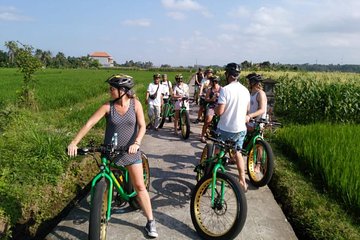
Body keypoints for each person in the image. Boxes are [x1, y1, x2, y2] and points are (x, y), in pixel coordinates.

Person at [67, 74, 158, 238]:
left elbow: (143, 126)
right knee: (107, 178)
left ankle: (150, 221)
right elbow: (89, 123)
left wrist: (136, 142)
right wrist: (74, 142)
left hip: (130, 151)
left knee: (139, 186)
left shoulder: (135, 105)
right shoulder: (107, 107)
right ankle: (105, 205)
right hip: (111, 151)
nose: (109, 91)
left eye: (112, 89)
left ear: (122, 91)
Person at [215, 63, 250, 191]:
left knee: (217, 151)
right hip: (240, 128)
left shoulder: (225, 89)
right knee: (238, 153)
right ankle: (242, 181)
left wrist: (215, 107)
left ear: (228, 75)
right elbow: (247, 109)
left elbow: (220, 112)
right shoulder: (245, 90)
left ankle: (213, 176)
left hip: (225, 128)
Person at [245, 73, 268, 173]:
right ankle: (235, 156)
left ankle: (258, 165)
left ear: (252, 82)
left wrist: (250, 116)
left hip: (258, 121)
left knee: (258, 143)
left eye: (249, 81)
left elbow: (262, 109)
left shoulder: (260, 94)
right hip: (249, 120)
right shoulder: (251, 93)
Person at [199, 75, 221, 143]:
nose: (210, 83)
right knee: (208, 120)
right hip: (212, 107)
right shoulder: (210, 89)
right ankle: (202, 135)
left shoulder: (222, 89)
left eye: (211, 81)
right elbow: (206, 99)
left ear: (214, 82)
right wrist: (211, 99)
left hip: (220, 106)